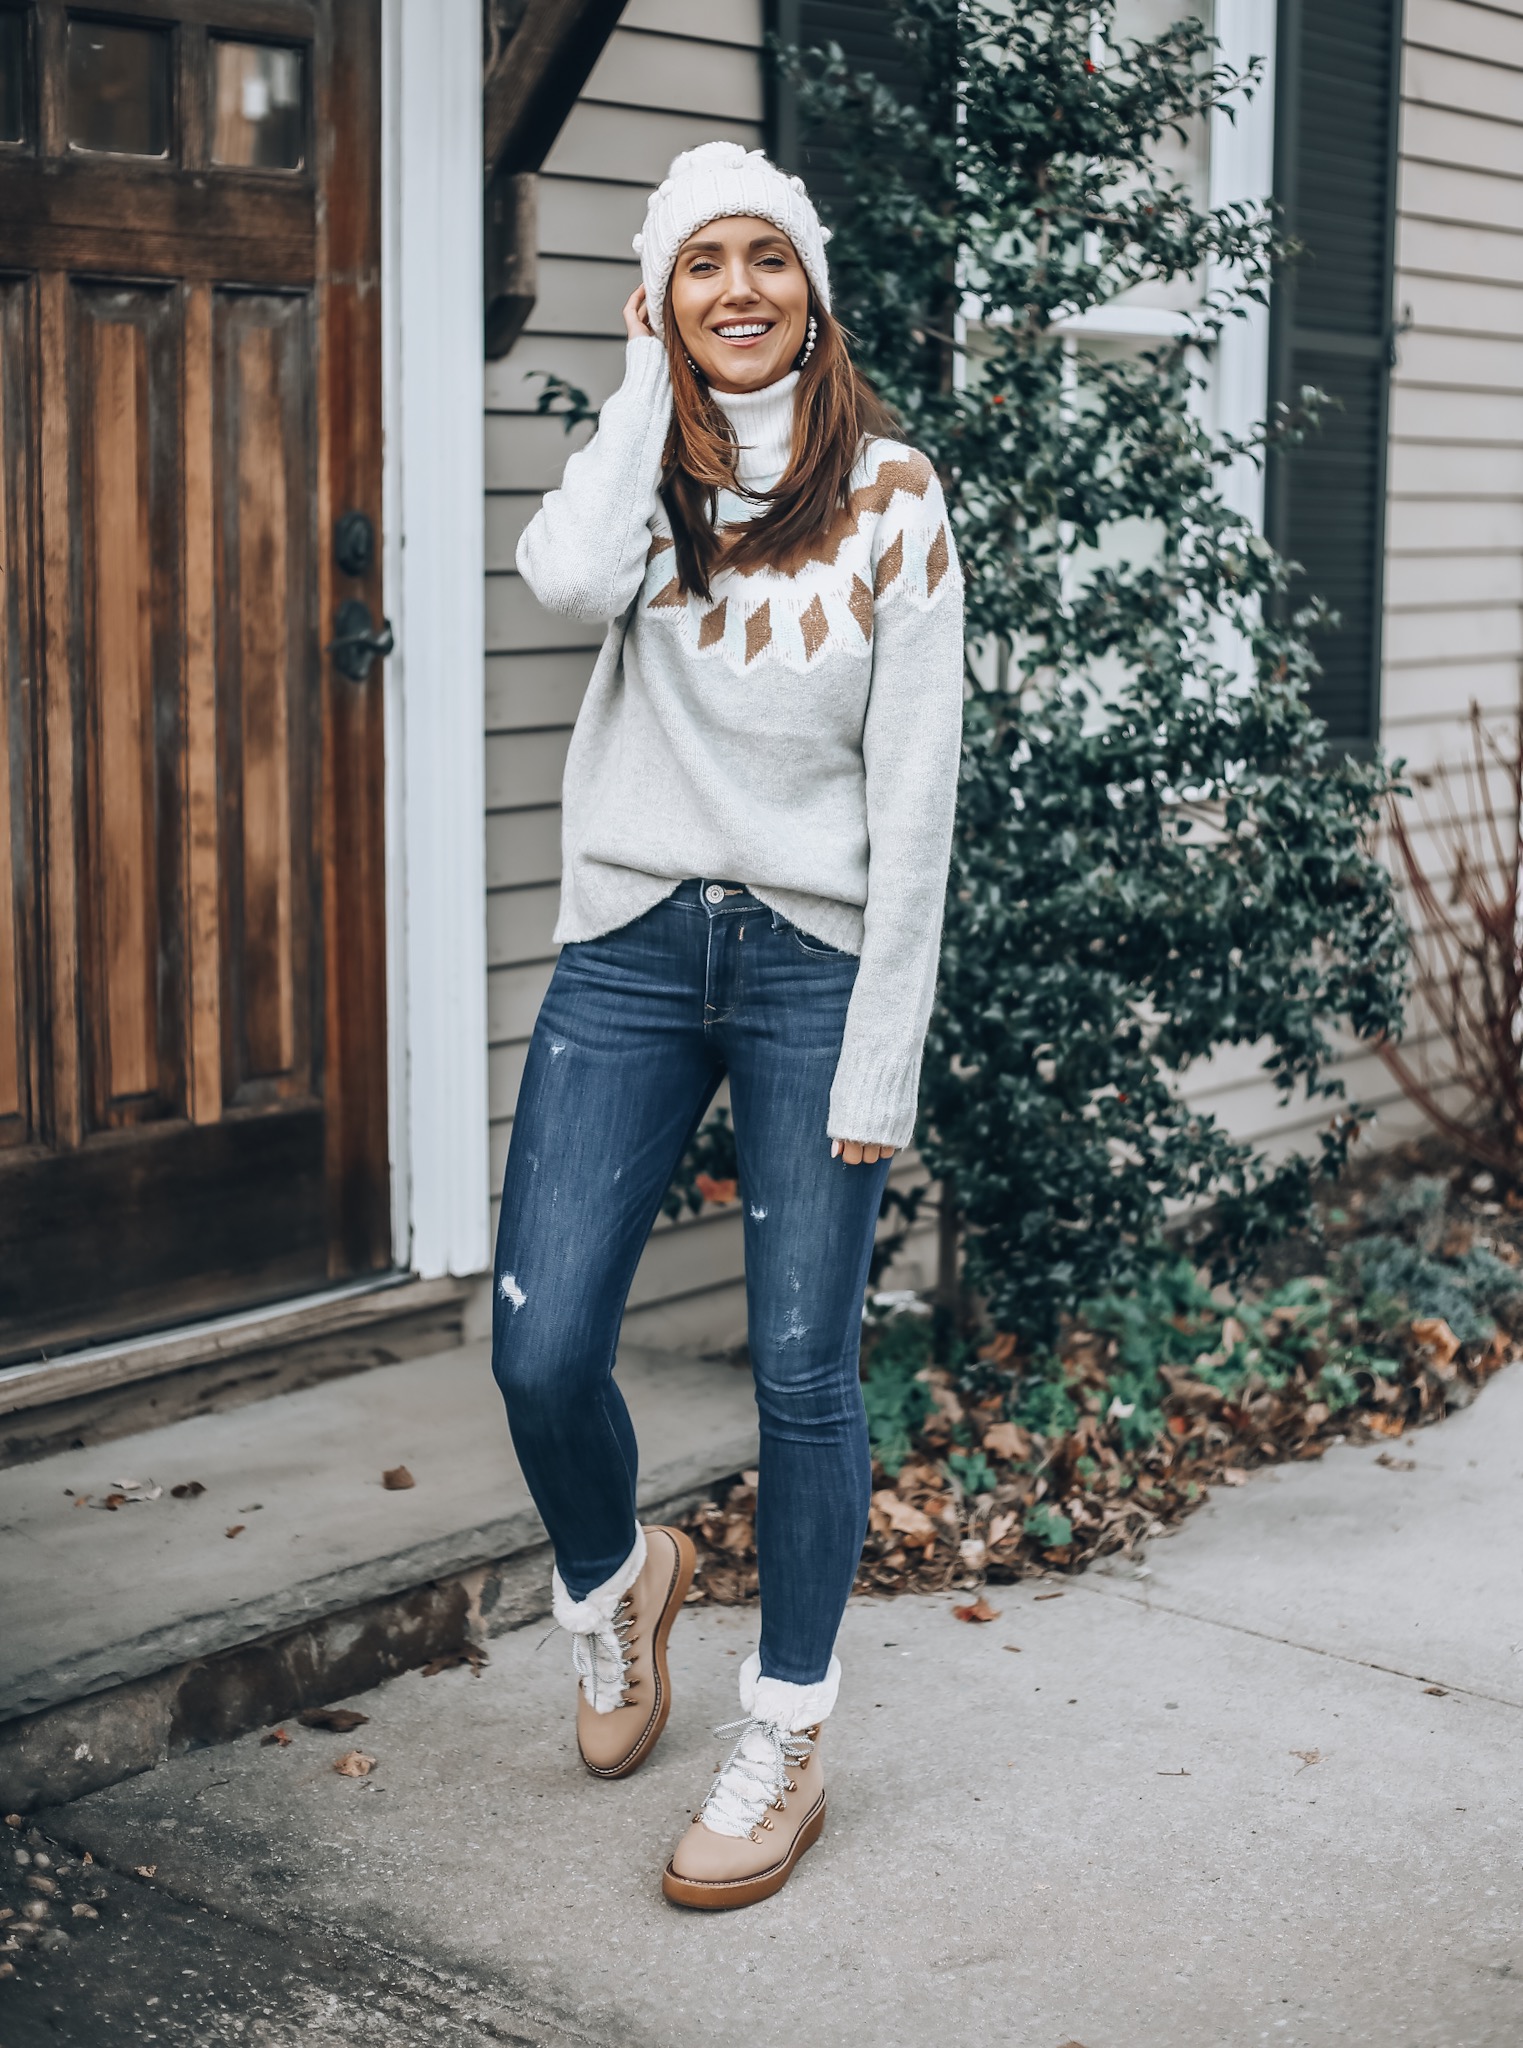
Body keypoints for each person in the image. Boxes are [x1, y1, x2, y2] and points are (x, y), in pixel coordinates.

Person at [492, 140, 964, 1910]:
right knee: (540, 1353)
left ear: (814, 290)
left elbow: (913, 802)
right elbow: (559, 583)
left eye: (770, 259)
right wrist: (638, 385)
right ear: (664, 294)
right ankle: (621, 1584)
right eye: (705, 265)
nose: (741, 289)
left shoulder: (897, 497)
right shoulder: (643, 478)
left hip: (810, 966)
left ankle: (786, 1731)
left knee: (799, 1371)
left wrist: (881, 1054)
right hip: (627, 942)